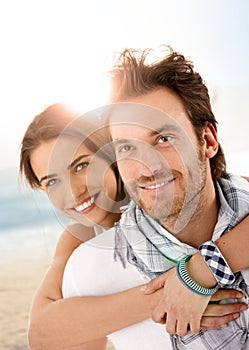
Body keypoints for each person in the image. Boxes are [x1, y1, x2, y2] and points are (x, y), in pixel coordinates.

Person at [62, 46, 249, 350]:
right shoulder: (90, 272)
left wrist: (201, 271)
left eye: (163, 138)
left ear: (208, 141)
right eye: (126, 148)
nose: (147, 168)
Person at [20, 103, 248, 350]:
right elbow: (42, 334)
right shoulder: (80, 239)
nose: (73, 192)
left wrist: (200, 270)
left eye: (81, 166)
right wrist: (170, 296)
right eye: (52, 181)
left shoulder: (167, 195)